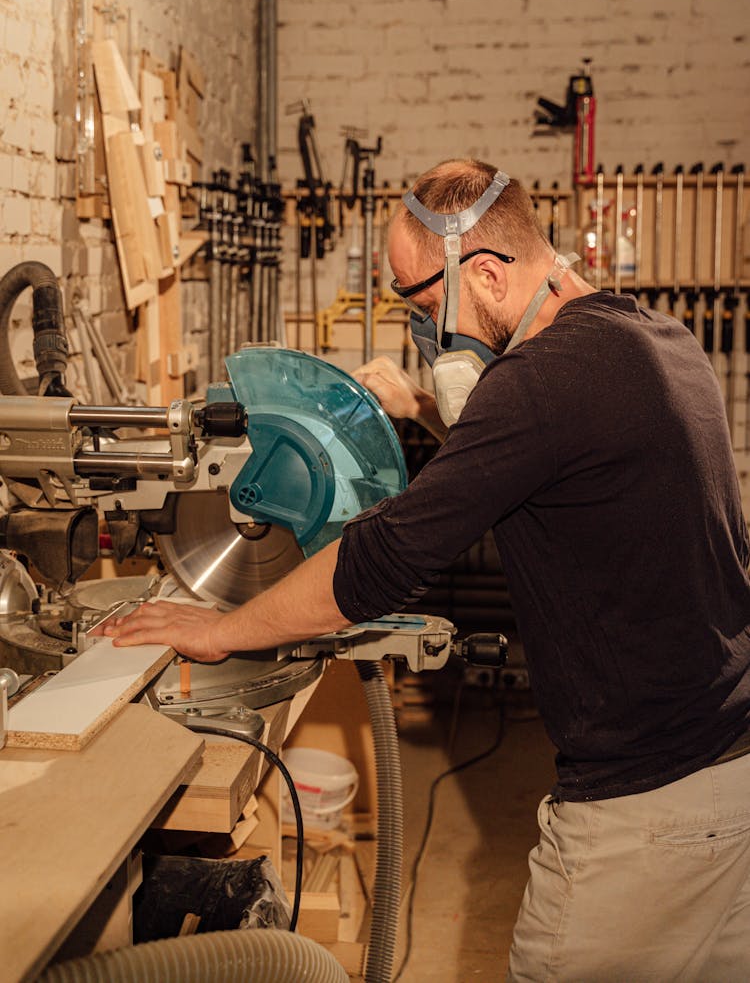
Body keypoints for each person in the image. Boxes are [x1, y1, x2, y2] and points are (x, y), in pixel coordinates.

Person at [108, 158, 750, 982]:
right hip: (728, 768)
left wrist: (222, 626)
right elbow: (549, 476)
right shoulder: (655, 338)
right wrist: (425, 415)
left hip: (644, 808)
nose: (422, 328)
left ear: (484, 272)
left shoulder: (538, 384)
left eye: (420, 301)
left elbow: (381, 560)